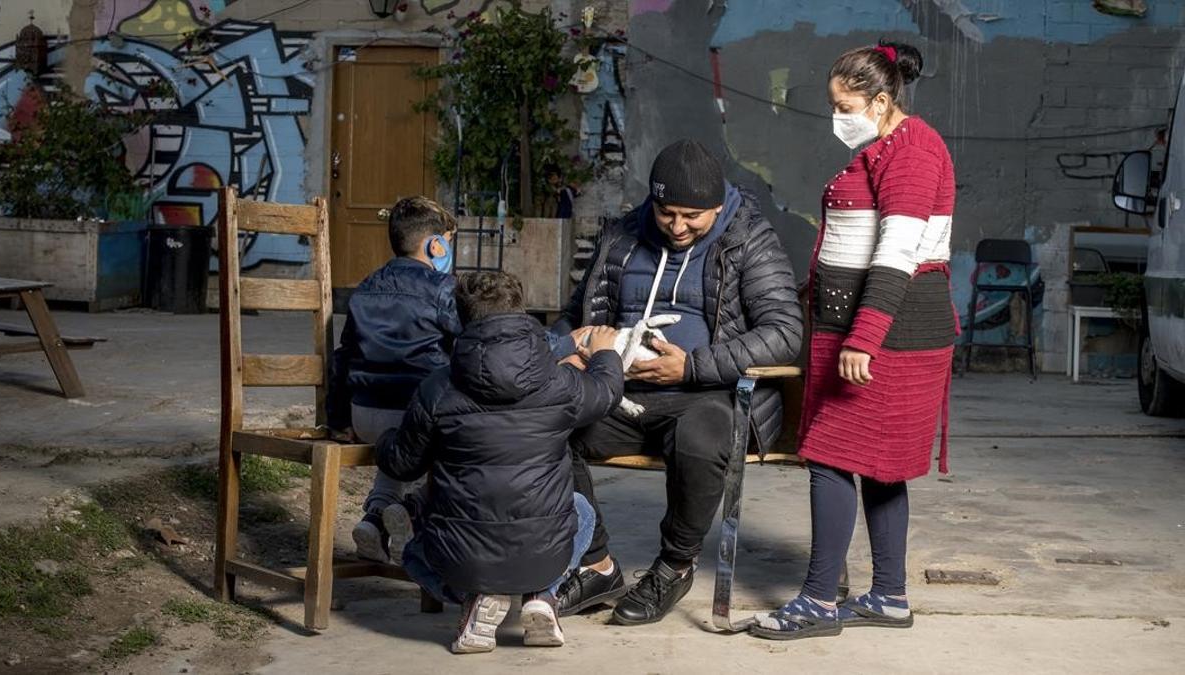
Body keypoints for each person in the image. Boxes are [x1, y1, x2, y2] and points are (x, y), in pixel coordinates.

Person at [549, 139, 804, 625]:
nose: (678, 227)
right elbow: (573, 311)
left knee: (703, 436)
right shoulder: (623, 234)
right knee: (547, 425)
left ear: (717, 205)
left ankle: (675, 564)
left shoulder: (748, 238)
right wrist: (570, 348)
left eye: (693, 216)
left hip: (707, 394)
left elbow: (784, 333)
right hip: (616, 391)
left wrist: (690, 367)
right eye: (667, 213)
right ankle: (596, 562)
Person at [750, 40, 956, 641]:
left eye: (845, 105)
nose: (837, 115)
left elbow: (898, 252)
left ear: (882, 99)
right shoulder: (881, 147)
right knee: (880, 467)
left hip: (890, 336)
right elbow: (854, 237)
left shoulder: (914, 150)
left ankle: (817, 602)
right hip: (859, 328)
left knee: (831, 457)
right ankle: (889, 595)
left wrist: (863, 337)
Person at [376, 271, 626, 654]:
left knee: (411, 547)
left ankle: (476, 600)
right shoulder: (559, 383)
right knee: (581, 510)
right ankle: (543, 595)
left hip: (462, 563)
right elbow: (607, 393)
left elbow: (402, 465)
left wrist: (383, 439)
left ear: (461, 320)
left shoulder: (438, 388)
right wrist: (607, 353)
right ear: (522, 313)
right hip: (544, 556)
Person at [325, 196, 460, 565]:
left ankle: (374, 519)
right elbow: (468, 347)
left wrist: (338, 422)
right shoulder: (442, 290)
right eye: (449, 241)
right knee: (457, 441)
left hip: (365, 416)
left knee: (396, 449)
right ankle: (414, 514)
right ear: (436, 245)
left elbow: (343, 357)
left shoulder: (366, 287)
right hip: (417, 418)